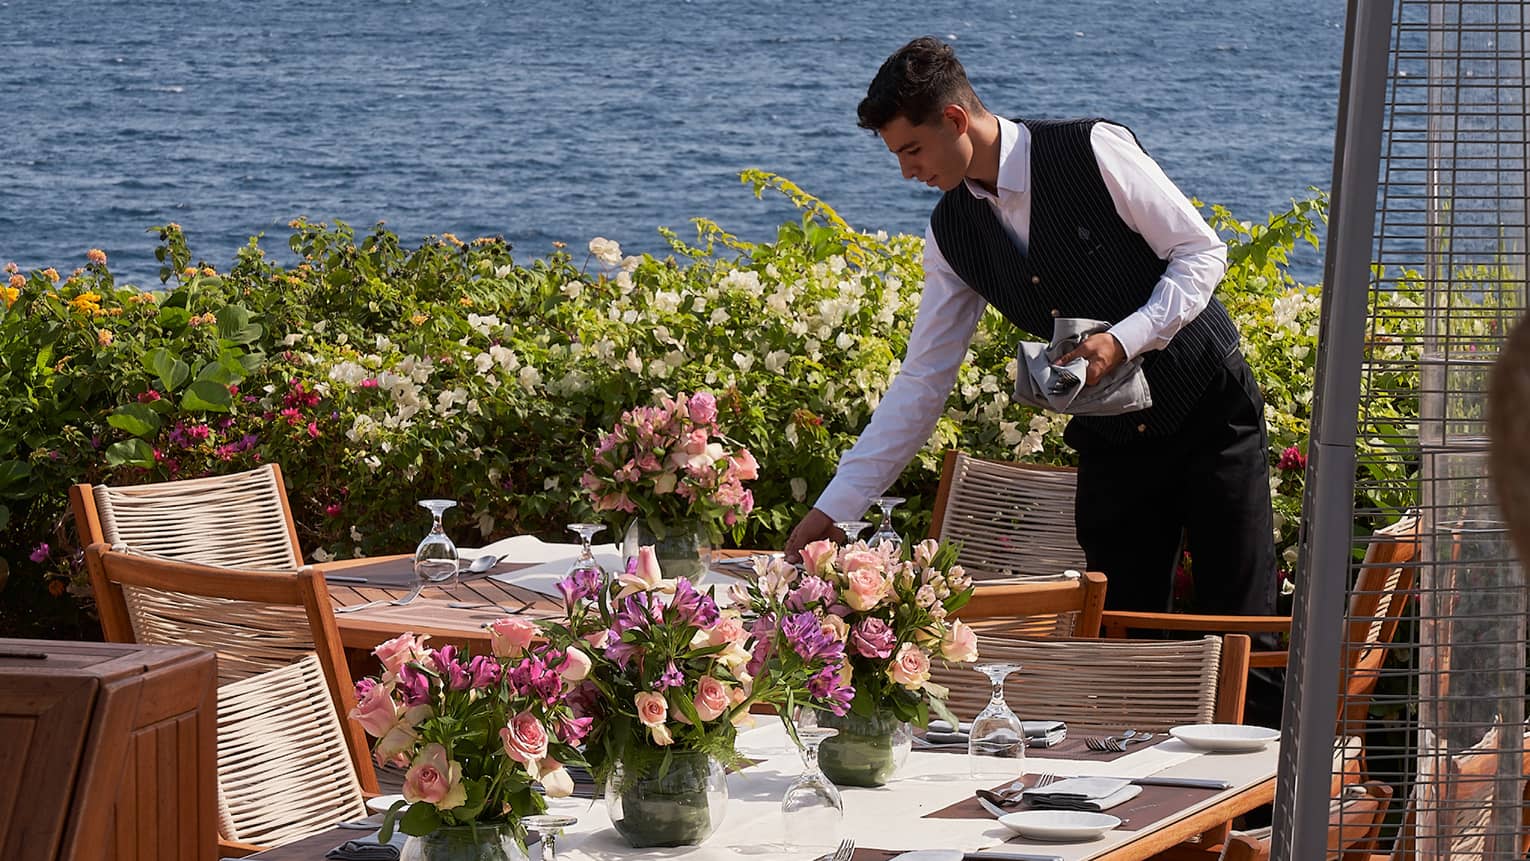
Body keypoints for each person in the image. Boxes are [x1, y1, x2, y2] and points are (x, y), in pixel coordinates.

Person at [783, 36, 1282, 727]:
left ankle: (1262, 823)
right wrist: (833, 512)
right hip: (1113, 436)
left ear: (956, 120)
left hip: (1208, 409)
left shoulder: (1091, 150)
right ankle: (1147, 819)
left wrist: (1122, 338)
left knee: (1241, 628)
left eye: (912, 151)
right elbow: (923, 382)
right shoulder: (952, 232)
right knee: (1122, 642)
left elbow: (1201, 253)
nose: (906, 173)